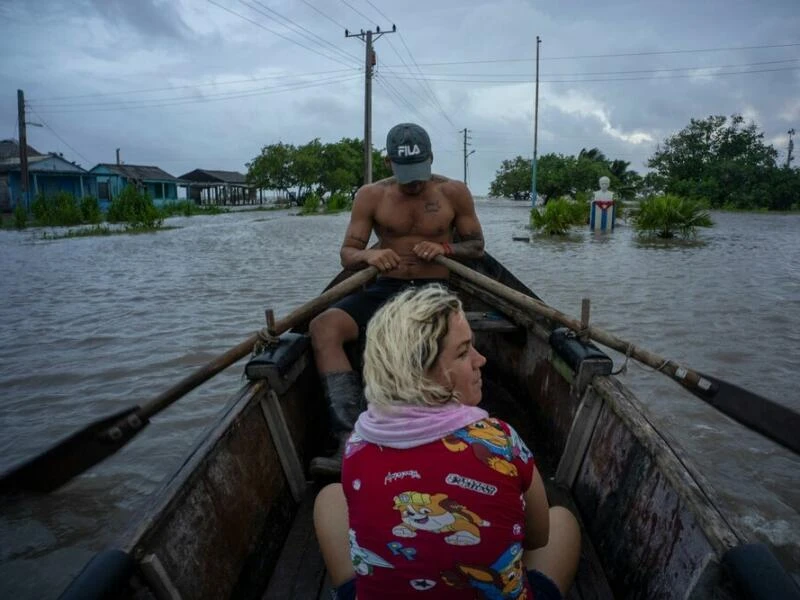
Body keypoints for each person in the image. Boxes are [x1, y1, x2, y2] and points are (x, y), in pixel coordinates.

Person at [313, 285, 581, 599]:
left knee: (330, 498)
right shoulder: (501, 440)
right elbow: (537, 536)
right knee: (562, 522)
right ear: (423, 370)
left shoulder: (358, 444)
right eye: (464, 351)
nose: (481, 359)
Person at [308, 123, 485, 478]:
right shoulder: (371, 196)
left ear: (431, 159)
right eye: (405, 174)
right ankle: (349, 435)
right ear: (389, 164)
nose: (413, 183)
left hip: (435, 292)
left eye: (419, 173)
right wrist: (369, 258)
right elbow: (348, 252)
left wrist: (445, 248)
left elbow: (477, 246)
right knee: (323, 327)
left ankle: (455, 431)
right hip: (385, 291)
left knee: (432, 341)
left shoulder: (454, 192)